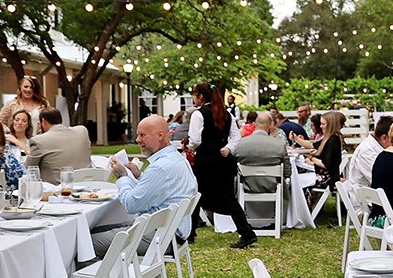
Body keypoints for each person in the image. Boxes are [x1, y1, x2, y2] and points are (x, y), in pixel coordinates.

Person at [96, 115, 199, 256]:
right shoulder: (177, 158)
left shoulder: (160, 168)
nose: (138, 140)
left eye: (142, 135)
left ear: (160, 136)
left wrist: (122, 177)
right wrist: (140, 176)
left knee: (86, 246)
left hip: (159, 236)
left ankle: (103, 277)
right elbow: (163, 189)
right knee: (93, 231)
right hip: (170, 232)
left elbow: (131, 205)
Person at [188, 81, 258, 250]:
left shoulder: (198, 115)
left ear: (201, 96)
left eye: (194, 94)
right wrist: (227, 148)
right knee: (227, 197)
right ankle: (246, 232)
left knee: (196, 194)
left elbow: (195, 140)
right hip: (223, 161)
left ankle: (189, 233)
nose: (192, 98)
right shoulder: (227, 114)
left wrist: (190, 147)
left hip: (205, 160)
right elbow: (236, 137)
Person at [231, 111, 291, 196]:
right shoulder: (279, 144)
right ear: (270, 125)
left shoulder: (240, 144)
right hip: (273, 188)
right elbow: (287, 172)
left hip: (246, 187)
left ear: (254, 124)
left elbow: (232, 167)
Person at [26, 108, 92, 175]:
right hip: (87, 181)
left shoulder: (39, 140)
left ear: (43, 121)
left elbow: (29, 168)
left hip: (58, 184)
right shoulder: (82, 131)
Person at [349, 115, 393, 188]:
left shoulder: (378, 147)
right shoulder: (367, 151)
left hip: (377, 194)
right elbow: (382, 180)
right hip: (365, 197)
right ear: (384, 138)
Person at [308, 111, 345, 189]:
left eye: (323, 124)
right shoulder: (331, 139)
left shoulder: (332, 141)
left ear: (330, 125)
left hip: (327, 179)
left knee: (297, 182)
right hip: (328, 177)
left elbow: (326, 164)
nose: (320, 126)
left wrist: (311, 158)